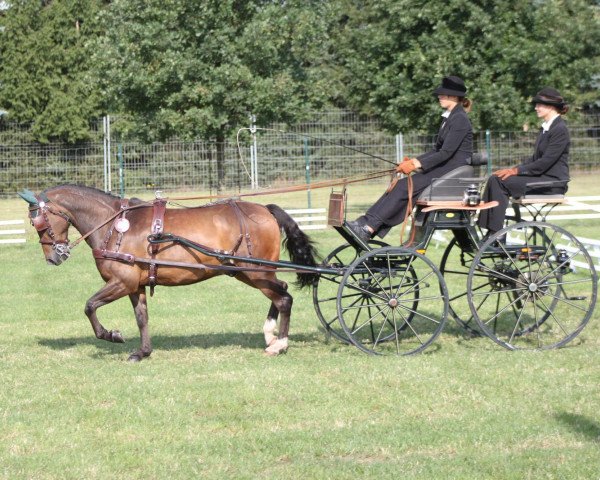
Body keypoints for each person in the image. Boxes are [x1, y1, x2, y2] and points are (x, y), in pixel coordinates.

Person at [347, 75, 473, 241]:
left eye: (443, 94)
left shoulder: (460, 120)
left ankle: (369, 228)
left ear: (454, 97)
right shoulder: (450, 117)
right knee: (398, 186)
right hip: (445, 168)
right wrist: (412, 161)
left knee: (403, 187)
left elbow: (446, 153)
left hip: (453, 171)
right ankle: (365, 223)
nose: (439, 97)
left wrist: (416, 164)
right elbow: (437, 149)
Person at [477, 87, 570, 238]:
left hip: (553, 182)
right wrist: (513, 169)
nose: (536, 108)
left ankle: (496, 233)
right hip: (542, 178)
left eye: (539, 105)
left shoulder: (560, 129)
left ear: (551, 107)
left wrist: (516, 172)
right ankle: (491, 230)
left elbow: (545, 162)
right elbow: (535, 159)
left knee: (501, 182)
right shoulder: (546, 128)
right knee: (496, 178)